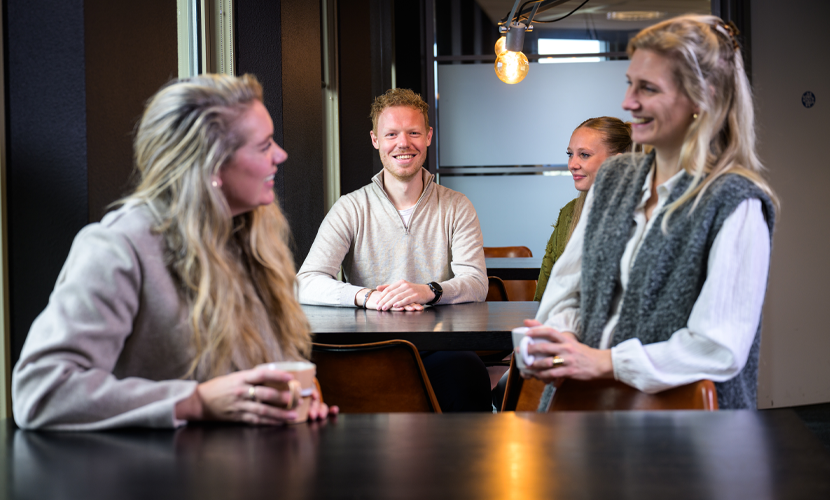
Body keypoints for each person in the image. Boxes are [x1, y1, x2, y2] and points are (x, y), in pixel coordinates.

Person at [12, 74, 336, 430]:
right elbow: (41, 390)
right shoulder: (119, 247)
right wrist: (194, 401)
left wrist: (297, 397)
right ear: (211, 165)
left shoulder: (252, 236)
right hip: (158, 481)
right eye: (264, 145)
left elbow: (265, 374)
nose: (281, 154)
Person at [522, 15, 777, 410]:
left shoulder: (736, 201)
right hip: (584, 410)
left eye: (648, 88)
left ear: (701, 97)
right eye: (629, 83)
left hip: (686, 429)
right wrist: (558, 342)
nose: (629, 103)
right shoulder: (613, 179)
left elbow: (718, 347)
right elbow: (567, 291)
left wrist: (604, 362)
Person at [297, 88, 491, 412]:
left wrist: (428, 291)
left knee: (468, 371)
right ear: (376, 140)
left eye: (413, 132)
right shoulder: (350, 208)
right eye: (392, 134)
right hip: (367, 348)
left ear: (428, 136)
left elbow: (476, 281)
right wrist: (367, 297)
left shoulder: (456, 205)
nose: (404, 143)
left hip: (438, 347)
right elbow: (306, 280)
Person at [533, 117, 634, 301]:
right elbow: (545, 292)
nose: (572, 165)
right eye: (570, 154)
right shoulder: (569, 213)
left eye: (584, 155)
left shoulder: (643, 213)